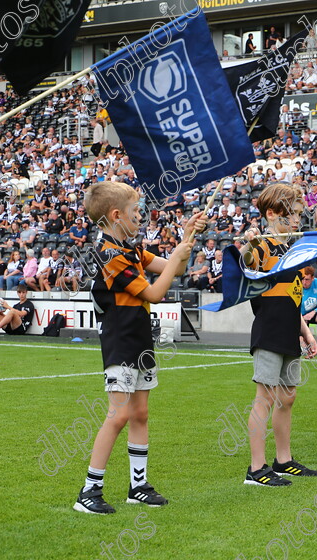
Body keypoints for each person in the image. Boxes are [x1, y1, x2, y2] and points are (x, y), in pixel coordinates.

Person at [73, 181, 205, 513]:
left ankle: (138, 486)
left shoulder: (131, 248)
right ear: (116, 215)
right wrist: (176, 256)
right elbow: (155, 293)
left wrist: (187, 238)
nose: (140, 216)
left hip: (140, 341)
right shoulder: (109, 254)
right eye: (135, 212)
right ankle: (89, 491)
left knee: (141, 414)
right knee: (117, 416)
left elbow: (174, 268)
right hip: (120, 342)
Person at [239, 183, 317, 486]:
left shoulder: (292, 253)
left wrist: (307, 335)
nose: (298, 220)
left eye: (299, 214)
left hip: (289, 332)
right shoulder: (261, 245)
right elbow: (246, 263)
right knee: (265, 398)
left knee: (288, 397)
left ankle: (283, 461)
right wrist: (248, 244)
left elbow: (293, 300)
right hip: (269, 331)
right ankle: (256, 470)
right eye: (292, 214)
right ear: (271, 214)